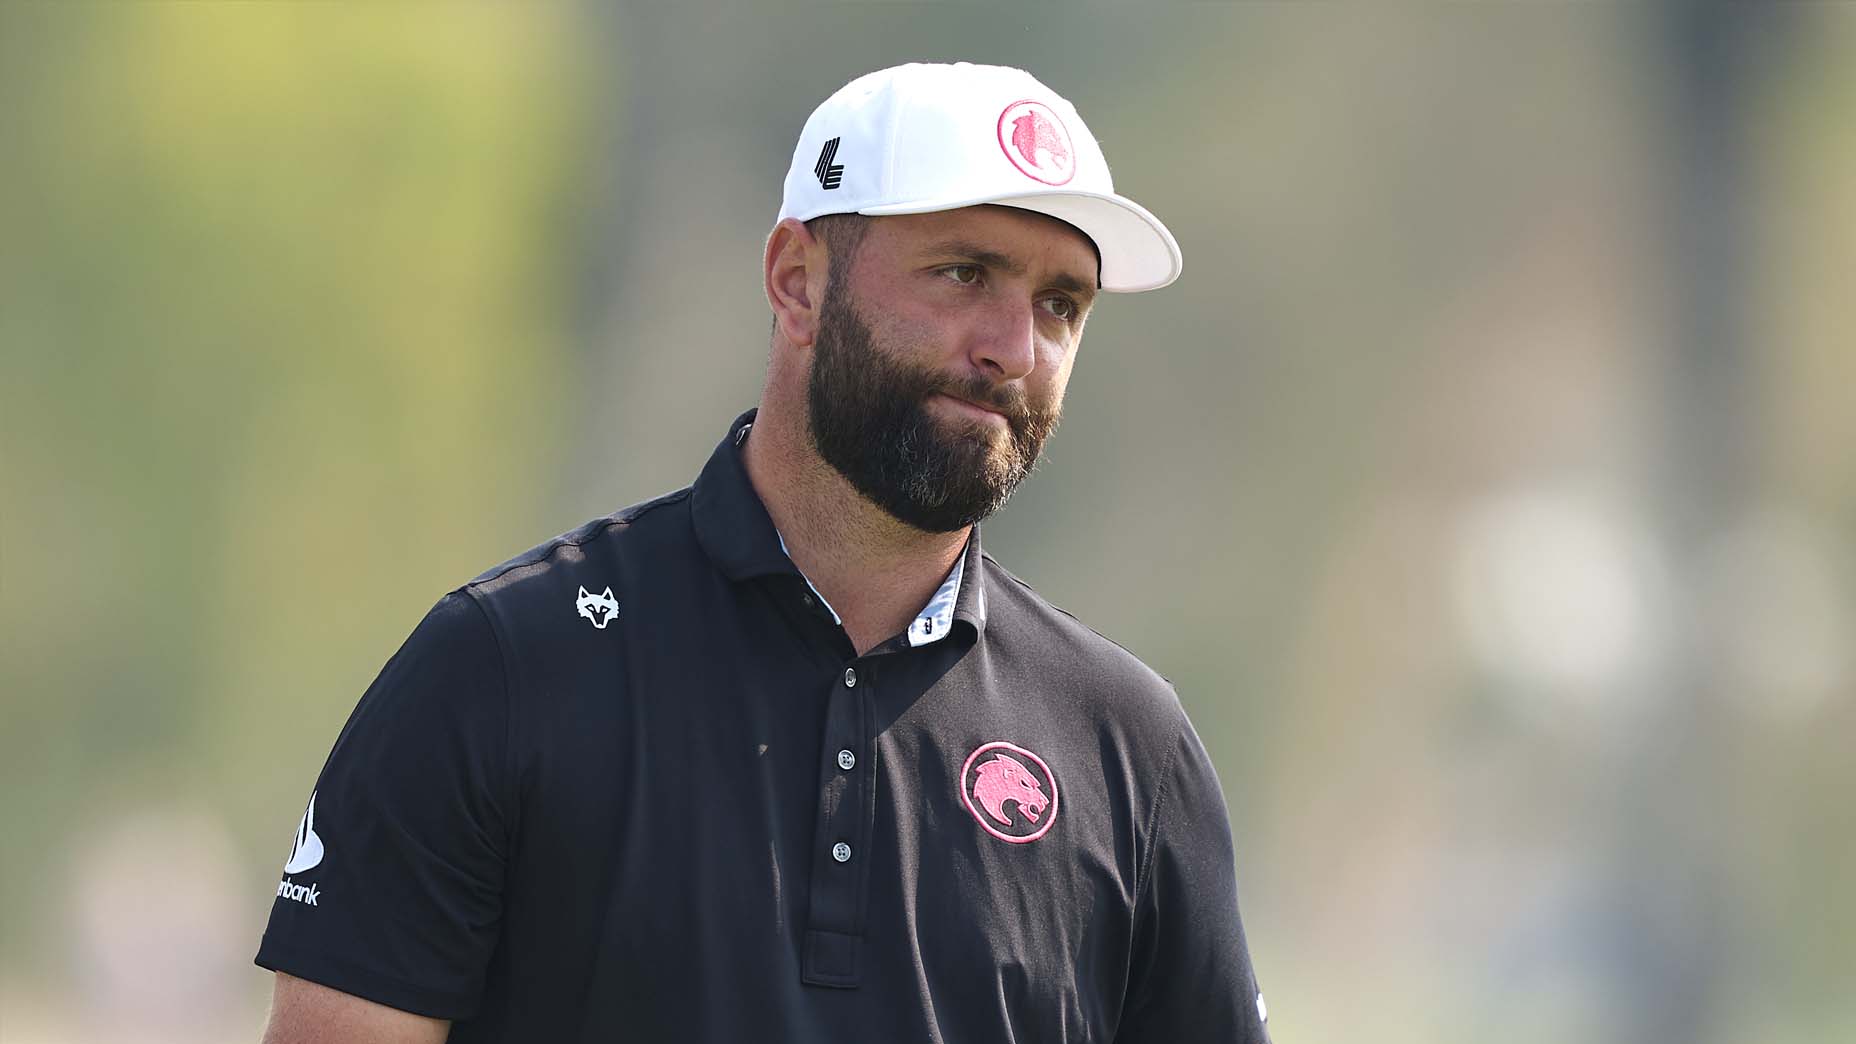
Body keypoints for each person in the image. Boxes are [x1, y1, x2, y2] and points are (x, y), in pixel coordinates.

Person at [256, 61, 1271, 1043]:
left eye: (1060, 304)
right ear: (796, 283)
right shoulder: (502, 667)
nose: (1014, 346)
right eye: (965, 273)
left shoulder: (1129, 748)